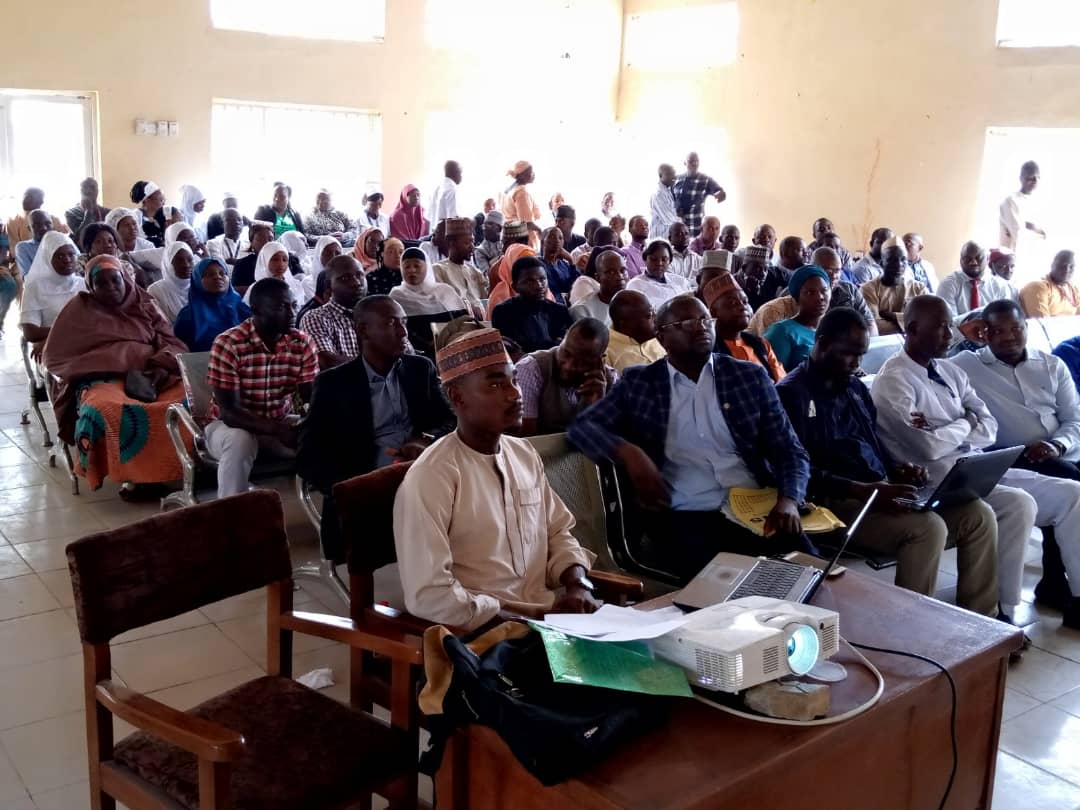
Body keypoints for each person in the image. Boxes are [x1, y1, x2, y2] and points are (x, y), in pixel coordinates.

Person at [570, 295, 812, 581]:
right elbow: (582, 427)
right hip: (689, 516)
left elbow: (789, 450)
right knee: (723, 598)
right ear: (662, 338)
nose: (701, 328)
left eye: (704, 319)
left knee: (814, 577)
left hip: (759, 509)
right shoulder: (641, 383)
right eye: (687, 323)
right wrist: (629, 453)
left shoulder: (747, 377)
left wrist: (788, 499)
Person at [776, 307, 998, 614]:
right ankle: (910, 632)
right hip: (831, 503)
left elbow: (872, 443)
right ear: (823, 343)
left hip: (876, 491)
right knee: (927, 528)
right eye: (849, 354)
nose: (856, 364)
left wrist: (898, 470)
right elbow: (797, 470)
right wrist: (863, 490)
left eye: (861, 355)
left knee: (977, 513)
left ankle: (983, 620)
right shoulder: (791, 394)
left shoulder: (853, 387)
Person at [394, 327, 598, 629]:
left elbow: (559, 533)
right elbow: (430, 596)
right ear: (457, 397)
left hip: (550, 622)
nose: (515, 393)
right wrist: (525, 620)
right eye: (495, 385)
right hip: (488, 638)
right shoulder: (432, 477)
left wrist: (578, 585)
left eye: (514, 379)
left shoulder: (524, 454)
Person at [869, 295, 1055, 625]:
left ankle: (1000, 609)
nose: (950, 334)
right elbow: (926, 445)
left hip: (968, 466)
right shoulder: (894, 380)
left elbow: (991, 428)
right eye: (940, 327)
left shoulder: (950, 370)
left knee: (1024, 501)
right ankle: (991, 612)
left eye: (950, 325)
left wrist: (955, 428)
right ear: (912, 329)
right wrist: (967, 422)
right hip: (929, 479)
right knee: (1017, 504)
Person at [299, 294, 455, 561]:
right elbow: (309, 454)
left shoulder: (420, 369)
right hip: (368, 481)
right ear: (364, 330)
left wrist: (424, 439)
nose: (404, 332)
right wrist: (347, 490)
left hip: (424, 468)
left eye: (403, 322)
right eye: (392, 323)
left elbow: (450, 420)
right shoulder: (334, 384)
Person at [43, 254, 188, 492]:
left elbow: (172, 342)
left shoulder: (145, 305)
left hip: (152, 376)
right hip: (103, 379)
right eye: (101, 283)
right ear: (90, 286)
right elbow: (55, 357)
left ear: (125, 280)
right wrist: (109, 362)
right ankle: (133, 477)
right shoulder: (79, 312)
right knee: (106, 409)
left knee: (186, 399)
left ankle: (182, 466)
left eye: (115, 280)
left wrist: (161, 365)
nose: (110, 288)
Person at [205, 278, 318, 498]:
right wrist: (277, 430)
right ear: (255, 309)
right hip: (227, 428)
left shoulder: (302, 343)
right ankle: (229, 512)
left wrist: (309, 423)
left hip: (280, 422)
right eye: (281, 307)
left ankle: (332, 507)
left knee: (329, 432)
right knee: (241, 440)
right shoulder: (229, 343)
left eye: (293, 305)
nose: (291, 312)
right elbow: (230, 413)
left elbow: (310, 397)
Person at [516, 318, 616, 436]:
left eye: (582, 362)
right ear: (563, 339)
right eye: (566, 353)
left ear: (600, 360)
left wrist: (596, 405)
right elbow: (526, 439)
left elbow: (610, 440)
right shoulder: (531, 369)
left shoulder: (610, 379)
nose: (569, 366)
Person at [748, 246, 876, 336]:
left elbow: (870, 324)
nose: (833, 275)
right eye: (827, 270)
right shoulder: (785, 303)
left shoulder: (849, 290)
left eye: (838, 270)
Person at [704, 272, 786, 382]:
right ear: (713, 313)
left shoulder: (760, 344)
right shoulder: (710, 352)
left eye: (745, 301)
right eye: (733, 303)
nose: (742, 307)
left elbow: (782, 382)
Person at [390, 247, 467, 357]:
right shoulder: (396, 295)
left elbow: (463, 321)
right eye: (406, 266)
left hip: (453, 349)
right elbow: (398, 330)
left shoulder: (445, 291)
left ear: (427, 267)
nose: (411, 270)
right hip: (416, 354)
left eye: (417, 266)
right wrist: (428, 345)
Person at [20, 232, 85, 358]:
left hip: (85, 343)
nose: (67, 260)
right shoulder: (34, 288)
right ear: (48, 259)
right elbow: (30, 332)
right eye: (59, 256)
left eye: (71, 254)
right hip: (52, 347)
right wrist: (70, 333)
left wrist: (66, 334)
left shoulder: (84, 283)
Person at [491, 255, 573, 353]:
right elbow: (512, 352)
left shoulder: (559, 311)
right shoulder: (503, 312)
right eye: (529, 281)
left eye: (542, 279)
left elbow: (569, 346)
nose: (539, 286)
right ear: (515, 287)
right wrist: (553, 343)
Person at [299, 255, 368, 370]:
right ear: (328, 286)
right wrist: (378, 365)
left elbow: (404, 353)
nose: (356, 283)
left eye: (360, 275)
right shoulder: (316, 317)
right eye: (345, 278)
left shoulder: (380, 312)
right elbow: (327, 361)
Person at [173, 257, 251, 352]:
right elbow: (180, 350)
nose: (217, 277)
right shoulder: (188, 315)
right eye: (210, 274)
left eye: (222, 273)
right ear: (197, 280)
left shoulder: (242, 309)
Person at [764, 265, 831, 369]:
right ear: (797, 298)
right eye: (810, 293)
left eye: (824, 290)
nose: (820, 297)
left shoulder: (831, 330)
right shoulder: (781, 332)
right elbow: (774, 378)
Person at [860, 236, 929, 334]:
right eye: (892, 260)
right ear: (881, 263)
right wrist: (911, 325)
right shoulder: (868, 289)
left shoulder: (919, 289)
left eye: (903, 259)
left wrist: (893, 316)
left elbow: (926, 322)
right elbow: (875, 327)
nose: (899, 265)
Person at [936, 240, 1018, 321]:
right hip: (959, 334)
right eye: (967, 259)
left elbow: (1005, 319)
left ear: (987, 259)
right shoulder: (948, 285)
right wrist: (981, 314)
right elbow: (949, 323)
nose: (973, 262)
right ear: (961, 261)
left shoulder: (1000, 286)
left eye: (979, 258)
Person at [605, 289, 666, 372]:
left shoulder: (660, 337)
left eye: (654, 311)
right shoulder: (606, 352)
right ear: (626, 325)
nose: (656, 318)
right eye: (649, 316)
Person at [434, 217, 487, 310]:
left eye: (472, 242)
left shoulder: (475, 272)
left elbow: (485, 302)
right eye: (467, 243)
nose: (472, 247)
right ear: (451, 243)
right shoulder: (438, 270)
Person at [626, 238, 694, 308]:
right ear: (645, 259)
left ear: (670, 261)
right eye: (653, 259)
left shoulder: (681, 281)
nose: (659, 263)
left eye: (664, 259)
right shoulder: (635, 285)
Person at [999, 161, 1046, 263]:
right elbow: (1018, 234)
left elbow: (1046, 236)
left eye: (1037, 177)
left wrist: (1032, 227)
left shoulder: (1040, 203)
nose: (1034, 181)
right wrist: (1036, 230)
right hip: (1008, 261)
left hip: (1032, 259)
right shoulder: (1011, 201)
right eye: (1030, 177)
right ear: (1021, 178)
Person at [673, 152, 725, 238]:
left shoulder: (705, 179)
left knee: (696, 250)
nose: (695, 163)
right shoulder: (676, 179)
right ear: (685, 163)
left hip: (696, 228)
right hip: (678, 228)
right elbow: (670, 198)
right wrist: (677, 208)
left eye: (697, 161)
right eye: (691, 161)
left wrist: (720, 195)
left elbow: (719, 191)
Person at [570, 249, 627, 325]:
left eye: (623, 271)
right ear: (598, 278)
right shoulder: (583, 310)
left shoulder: (633, 304)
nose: (620, 276)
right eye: (611, 272)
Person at [242, 241, 307, 307]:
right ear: (265, 260)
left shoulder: (296, 286)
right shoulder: (255, 289)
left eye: (284, 260)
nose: (281, 264)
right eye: (275, 259)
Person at [1020, 250, 1080, 317]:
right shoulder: (1038, 287)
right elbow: (1043, 324)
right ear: (1052, 265)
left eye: (1071, 266)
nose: (1067, 270)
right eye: (1062, 265)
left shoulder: (1073, 289)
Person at [148, 242, 195, 322]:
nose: (186, 265)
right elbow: (158, 324)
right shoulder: (155, 291)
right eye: (179, 260)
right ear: (168, 263)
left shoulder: (200, 286)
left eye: (190, 259)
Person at [501, 161, 541, 241]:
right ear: (522, 175)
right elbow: (527, 222)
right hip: (523, 239)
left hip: (510, 237)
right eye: (530, 172)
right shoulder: (522, 192)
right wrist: (540, 230)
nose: (533, 174)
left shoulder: (508, 190)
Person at [230, 221, 274, 295]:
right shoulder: (242, 264)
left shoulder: (285, 260)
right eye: (260, 239)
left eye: (270, 239)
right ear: (251, 243)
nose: (266, 242)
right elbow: (235, 291)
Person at [537, 226, 577, 299]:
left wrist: (571, 261)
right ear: (543, 242)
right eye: (552, 237)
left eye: (560, 238)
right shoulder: (537, 264)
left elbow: (575, 287)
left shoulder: (565, 264)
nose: (557, 240)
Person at [14, 209, 55, 276]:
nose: (44, 228)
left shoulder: (63, 242)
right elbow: (28, 278)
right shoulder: (23, 247)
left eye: (48, 223)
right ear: (29, 229)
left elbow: (77, 264)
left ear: (53, 225)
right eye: (37, 225)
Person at [734, 244, 774, 311]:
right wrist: (750, 291)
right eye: (757, 269)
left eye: (766, 269)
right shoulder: (732, 283)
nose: (763, 274)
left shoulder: (770, 282)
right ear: (744, 268)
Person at [130, 181, 167, 248]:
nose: (164, 203)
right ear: (147, 200)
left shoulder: (162, 217)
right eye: (161, 200)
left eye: (164, 199)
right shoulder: (135, 217)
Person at [649, 163, 679, 239]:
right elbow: (669, 219)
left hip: (667, 238)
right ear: (660, 175)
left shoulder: (668, 191)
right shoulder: (658, 194)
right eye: (670, 174)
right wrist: (681, 219)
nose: (674, 176)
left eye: (674, 173)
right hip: (659, 239)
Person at [474, 211, 504, 276]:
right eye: (484, 224)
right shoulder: (480, 251)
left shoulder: (507, 243)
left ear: (499, 228)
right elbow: (487, 275)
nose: (484, 227)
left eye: (489, 224)